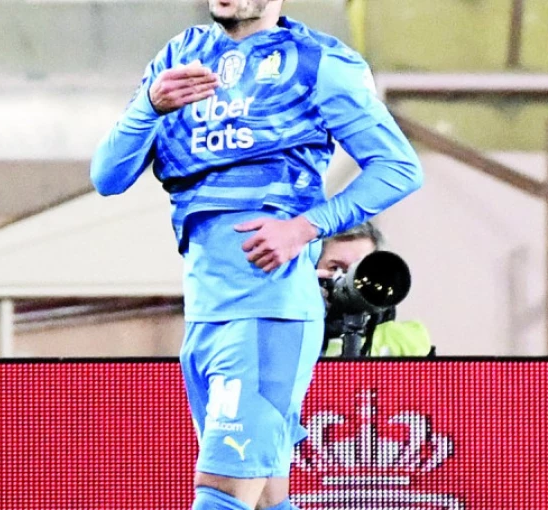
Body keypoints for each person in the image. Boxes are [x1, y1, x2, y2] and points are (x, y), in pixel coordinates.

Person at [89, 1, 423, 508]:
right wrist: (148, 108)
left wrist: (305, 228)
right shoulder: (181, 55)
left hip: (268, 311)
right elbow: (107, 177)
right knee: (267, 498)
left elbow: (399, 167)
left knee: (221, 494)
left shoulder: (317, 61)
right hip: (206, 313)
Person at [317, 222, 432, 358]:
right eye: (335, 268)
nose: (349, 281)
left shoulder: (405, 342)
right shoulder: (297, 336)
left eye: (360, 270)